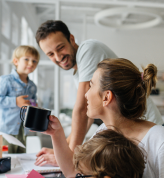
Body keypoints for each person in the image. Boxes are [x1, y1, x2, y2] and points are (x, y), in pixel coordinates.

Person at [40, 58, 164, 178]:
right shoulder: (104, 132)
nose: (85, 93)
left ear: (106, 96)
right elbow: (73, 170)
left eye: (91, 85)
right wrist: (56, 134)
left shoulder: (159, 141)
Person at [35, 20, 163, 167]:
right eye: (50, 54)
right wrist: (62, 150)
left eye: (60, 48)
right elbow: (88, 113)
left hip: (147, 130)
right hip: (131, 134)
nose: (58, 57)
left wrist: (69, 157)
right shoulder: (78, 72)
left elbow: (82, 109)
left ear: (71, 39)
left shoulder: (88, 49)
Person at [0, 45, 40, 153]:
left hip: (23, 130)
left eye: (34, 61)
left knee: (21, 158)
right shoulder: (5, 80)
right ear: (16, 61)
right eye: (26, 59)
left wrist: (34, 108)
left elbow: (33, 103)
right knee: (5, 158)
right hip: (5, 130)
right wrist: (15, 101)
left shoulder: (33, 86)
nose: (31, 63)